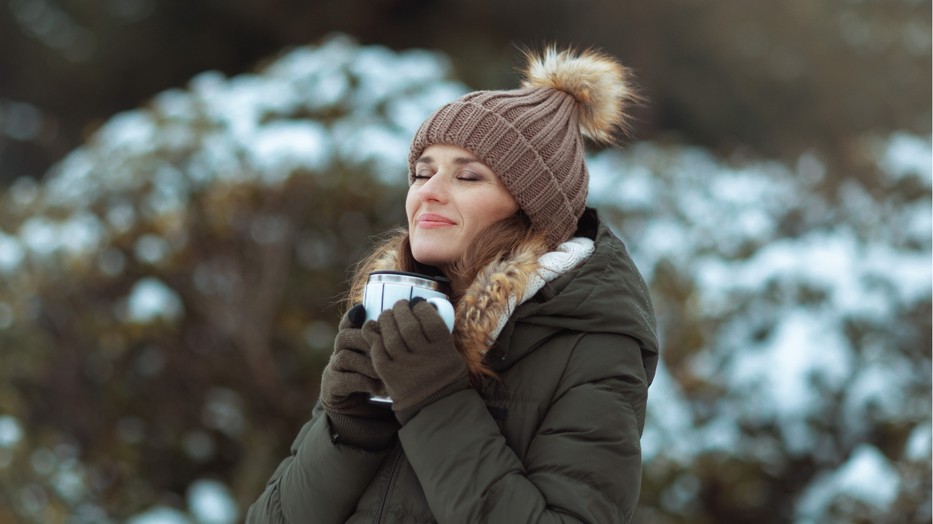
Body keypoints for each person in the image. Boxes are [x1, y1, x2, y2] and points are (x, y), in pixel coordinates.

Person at [247, 45, 659, 524]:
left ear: (531, 210)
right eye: (423, 172)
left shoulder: (593, 346)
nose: (429, 191)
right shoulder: (394, 317)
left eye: (467, 175)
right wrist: (346, 430)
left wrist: (436, 401)